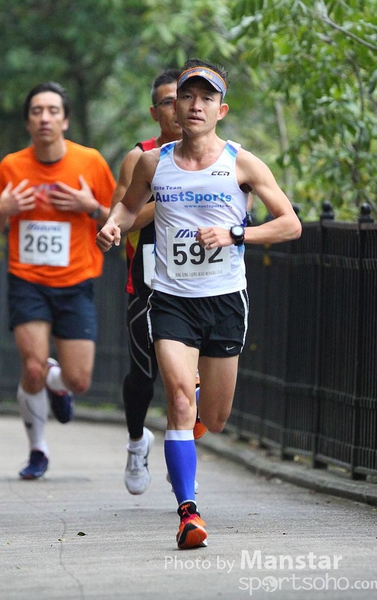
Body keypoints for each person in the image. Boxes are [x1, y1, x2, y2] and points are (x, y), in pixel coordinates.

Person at [96, 58, 302, 549]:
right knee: (179, 401)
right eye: (186, 96)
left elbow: (289, 224)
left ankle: (193, 427)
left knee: (215, 414)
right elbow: (128, 205)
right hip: (171, 299)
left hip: (225, 300)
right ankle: (188, 513)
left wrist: (235, 234)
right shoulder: (154, 163)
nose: (194, 105)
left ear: (221, 110)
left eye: (206, 98)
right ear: (174, 106)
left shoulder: (242, 163)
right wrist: (112, 225)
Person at [0, 81, 116, 480]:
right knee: (31, 368)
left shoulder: (91, 162)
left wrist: (91, 206)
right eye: (37, 111)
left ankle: (58, 380)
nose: (45, 118)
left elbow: (120, 219)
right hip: (27, 278)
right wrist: (4, 208)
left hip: (76, 280)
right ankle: (37, 450)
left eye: (53, 111)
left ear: (65, 120)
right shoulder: (10, 166)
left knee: (79, 381)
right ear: (28, 122)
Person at [110, 69, 184, 495]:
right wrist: (170, 198)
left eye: (185, 98)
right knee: (145, 373)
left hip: (196, 282)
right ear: (155, 112)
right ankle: (137, 440)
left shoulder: (217, 159)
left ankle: (179, 452)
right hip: (147, 279)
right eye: (168, 101)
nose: (179, 108)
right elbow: (119, 220)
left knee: (183, 379)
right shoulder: (140, 158)